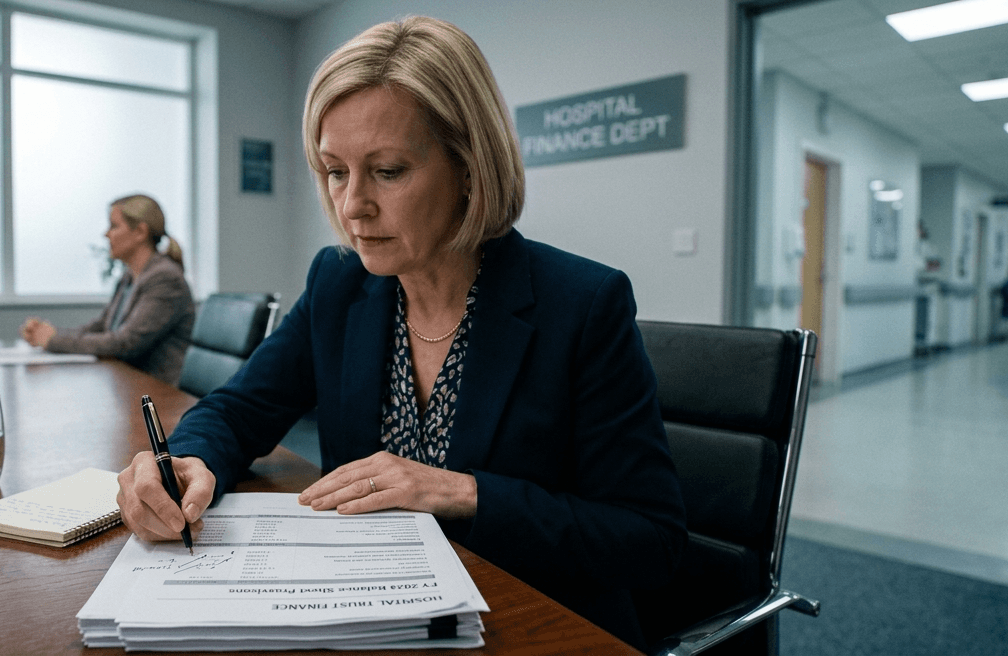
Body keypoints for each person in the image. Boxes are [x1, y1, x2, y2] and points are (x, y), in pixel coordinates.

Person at [111, 17, 685, 650]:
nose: (353, 206)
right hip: (371, 618)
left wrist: (463, 491)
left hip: (527, 624)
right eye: (335, 172)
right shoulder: (340, 283)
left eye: (386, 171)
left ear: (470, 167)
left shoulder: (582, 304)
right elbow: (242, 406)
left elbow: (649, 540)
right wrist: (189, 460)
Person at [19, 195, 195, 384]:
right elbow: (102, 326)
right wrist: (51, 334)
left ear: (140, 232)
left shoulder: (165, 279)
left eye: (114, 226)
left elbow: (125, 343)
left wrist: (53, 340)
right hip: (127, 385)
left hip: (157, 396)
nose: (106, 234)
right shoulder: (130, 276)